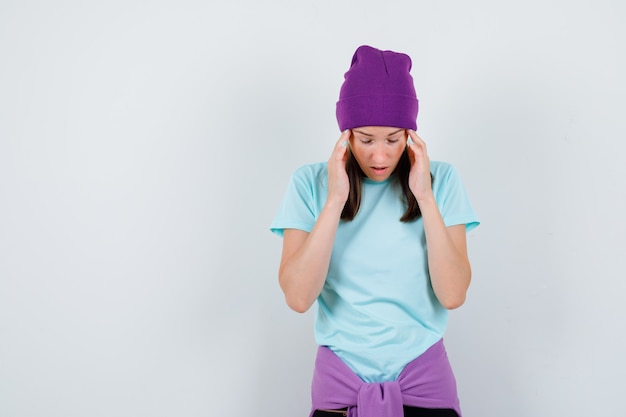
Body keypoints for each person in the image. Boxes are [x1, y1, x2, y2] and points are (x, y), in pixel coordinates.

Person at [270, 45, 480, 417]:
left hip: (425, 386)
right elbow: (299, 298)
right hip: (341, 389)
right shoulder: (309, 184)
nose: (379, 157)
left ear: (411, 134)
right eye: (365, 139)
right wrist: (335, 201)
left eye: (393, 140)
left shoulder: (441, 181)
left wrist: (425, 198)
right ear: (345, 133)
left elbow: (453, 295)